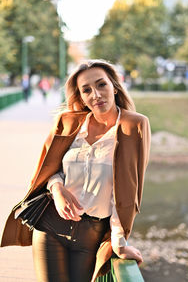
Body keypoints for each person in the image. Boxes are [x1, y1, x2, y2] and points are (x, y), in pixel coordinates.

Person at [1, 59, 151, 282]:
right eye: (86, 90)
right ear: (80, 96)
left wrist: (119, 240)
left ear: (115, 85)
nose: (96, 95)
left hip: (92, 234)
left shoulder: (135, 125)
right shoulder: (67, 122)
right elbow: (48, 168)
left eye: (101, 85)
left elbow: (130, 188)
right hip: (50, 224)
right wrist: (57, 189)